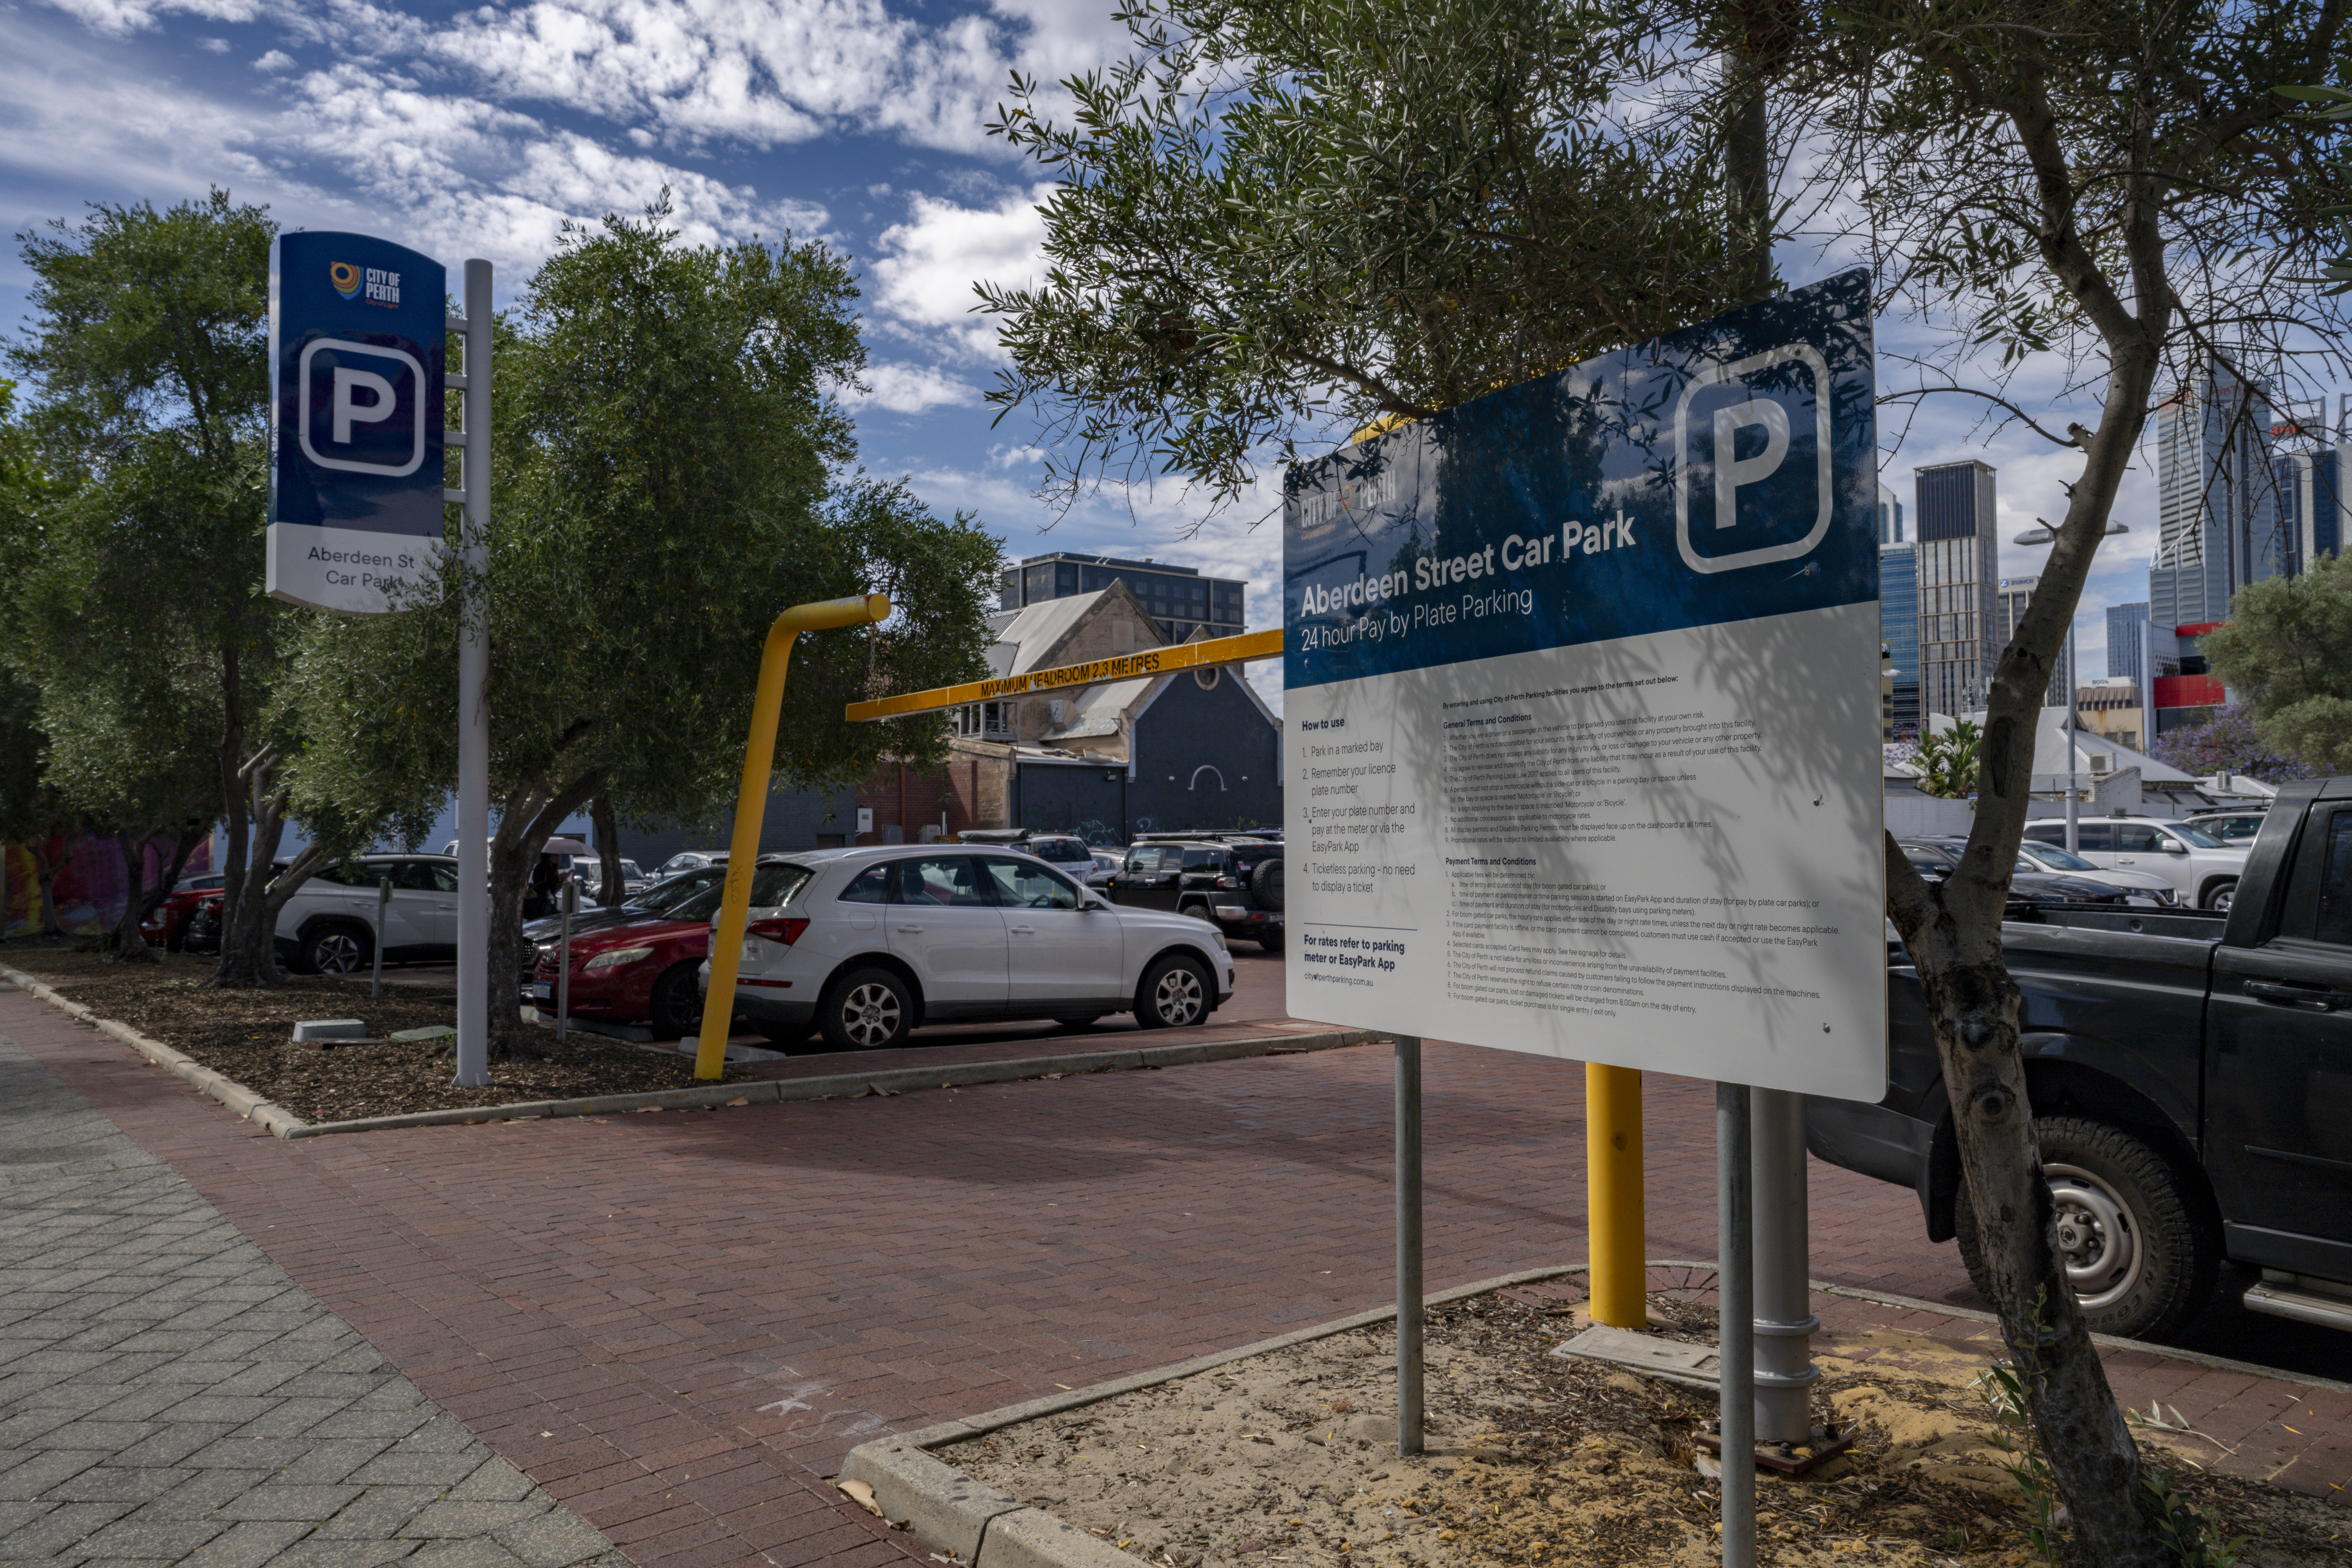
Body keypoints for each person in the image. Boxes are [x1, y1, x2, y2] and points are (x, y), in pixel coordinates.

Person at [525, 852, 564, 920]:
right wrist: (558, 878)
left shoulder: (553, 869)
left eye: (556, 856)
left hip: (551, 903)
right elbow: (542, 887)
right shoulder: (541, 868)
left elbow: (554, 890)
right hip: (541, 904)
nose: (556, 858)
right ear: (548, 857)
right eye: (553, 856)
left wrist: (561, 882)